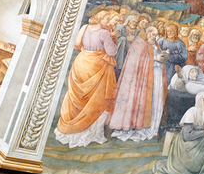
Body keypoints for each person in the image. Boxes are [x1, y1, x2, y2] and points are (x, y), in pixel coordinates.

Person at [55, 11, 118, 147]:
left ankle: (72, 130)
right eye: (107, 19)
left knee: (77, 98)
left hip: (81, 63)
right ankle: (91, 133)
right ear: (101, 19)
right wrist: (113, 39)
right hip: (98, 66)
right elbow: (111, 52)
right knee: (97, 101)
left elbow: (77, 45)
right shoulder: (104, 33)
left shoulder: (84, 27)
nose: (108, 21)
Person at [109, 25, 168, 142]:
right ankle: (134, 128)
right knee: (137, 102)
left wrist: (162, 56)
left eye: (155, 35)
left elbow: (154, 54)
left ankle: (150, 128)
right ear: (146, 32)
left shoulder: (152, 42)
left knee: (153, 102)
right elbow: (138, 59)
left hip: (153, 77)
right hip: (140, 80)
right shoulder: (139, 42)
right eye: (152, 34)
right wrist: (156, 59)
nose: (154, 36)